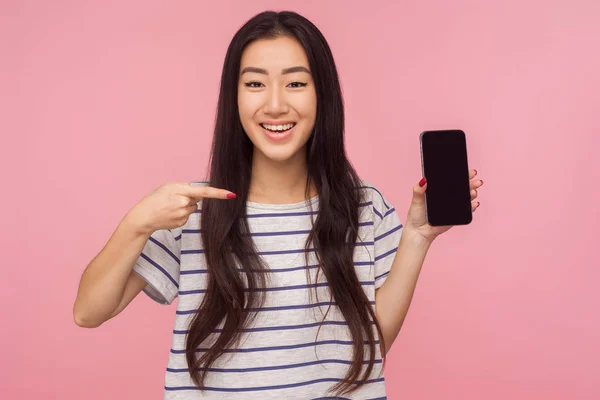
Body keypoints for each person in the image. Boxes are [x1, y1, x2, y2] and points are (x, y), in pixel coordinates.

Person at [73, 10, 483, 399]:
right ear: (233, 97)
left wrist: (416, 237)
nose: (274, 104)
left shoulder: (363, 205)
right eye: (254, 84)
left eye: (296, 83)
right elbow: (89, 312)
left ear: (323, 95)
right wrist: (137, 223)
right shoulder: (194, 209)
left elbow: (369, 350)